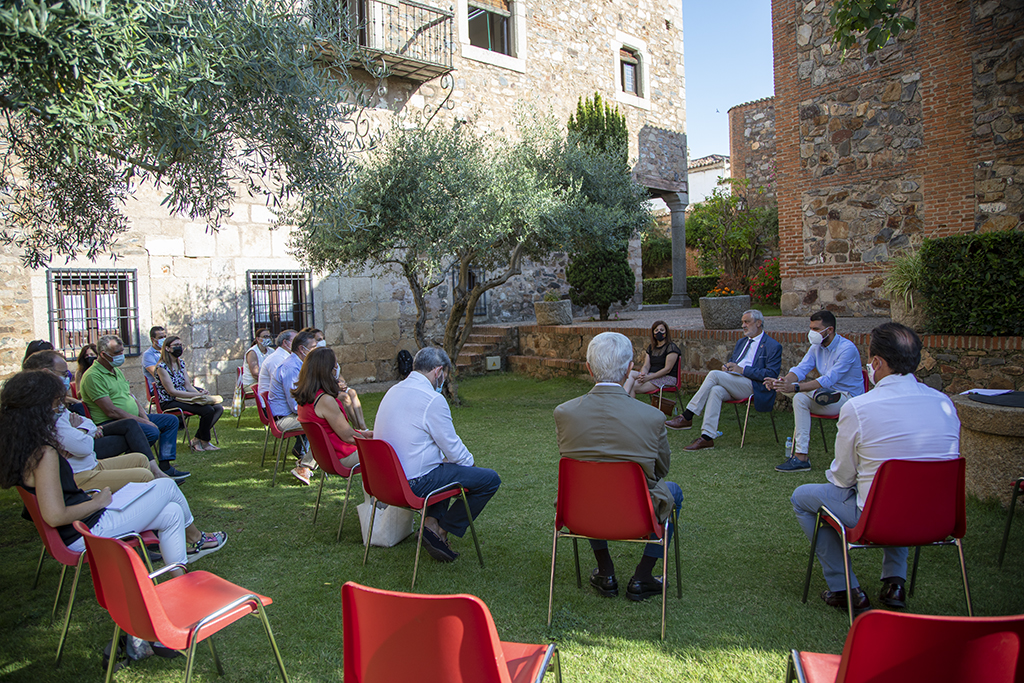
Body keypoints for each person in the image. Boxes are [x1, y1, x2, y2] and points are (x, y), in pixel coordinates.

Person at [792, 322, 960, 614]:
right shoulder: (944, 404)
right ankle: (895, 582)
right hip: (940, 519)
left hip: (877, 518)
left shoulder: (860, 408)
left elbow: (842, 478)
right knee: (906, 489)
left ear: (877, 362)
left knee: (803, 498)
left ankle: (845, 587)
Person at [0, 370, 225, 578]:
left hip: (84, 523)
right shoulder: (43, 454)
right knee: (166, 487)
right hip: (85, 531)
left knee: (172, 512)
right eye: (58, 405)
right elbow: (55, 515)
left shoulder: (23, 446)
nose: (62, 411)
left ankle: (180, 581)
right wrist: (98, 502)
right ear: (39, 409)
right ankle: (196, 539)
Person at [554, 332, 684, 602]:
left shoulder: (565, 413)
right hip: (636, 515)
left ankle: (605, 570)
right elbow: (660, 470)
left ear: (589, 368)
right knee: (673, 491)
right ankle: (643, 575)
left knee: (589, 486)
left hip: (579, 513)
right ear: (629, 370)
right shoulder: (652, 416)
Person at [373, 347, 501, 563]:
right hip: (412, 484)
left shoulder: (392, 391)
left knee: (443, 468)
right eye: (445, 376)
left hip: (383, 482)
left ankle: (430, 524)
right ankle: (441, 529)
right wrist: (470, 466)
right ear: (438, 371)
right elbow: (453, 448)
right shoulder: (432, 399)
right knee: (489, 480)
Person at [23, 350, 176, 488]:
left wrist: (82, 429)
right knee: (145, 466)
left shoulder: (56, 405)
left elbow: (85, 423)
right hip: (82, 468)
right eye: (64, 374)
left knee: (142, 451)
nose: (66, 378)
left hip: (90, 455)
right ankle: (155, 483)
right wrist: (84, 430)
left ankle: (160, 470)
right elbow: (86, 445)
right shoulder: (47, 411)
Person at [667, 310, 783, 451]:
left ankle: (688, 415)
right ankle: (707, 437)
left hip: (754, 386)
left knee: (714, 375)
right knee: (716, 390)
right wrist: (728, 367)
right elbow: (734, 362)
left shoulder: (773, 345)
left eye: (747, 322)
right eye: (742, 322)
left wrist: (742, 370)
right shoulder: (741, 342)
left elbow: (771, 373)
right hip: (735, 382)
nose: (743, 325)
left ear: (759, 323)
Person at [765, 310, 865, 472]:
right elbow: (800, 369)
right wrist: (782, 382)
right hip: (827, 394)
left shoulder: (847, 349)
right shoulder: (816, 347)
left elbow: (829, 379)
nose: (812, 333)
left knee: (801, 392)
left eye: (816, 329)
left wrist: (796, 387)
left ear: (830, 330)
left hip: (848, 398)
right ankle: (801, 456)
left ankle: (816, 394)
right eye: (811, 328)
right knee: (799, 399)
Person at [79, 335, 190, 479]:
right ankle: (137, 466)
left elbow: (131, 397)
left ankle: (165, 467)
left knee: (170, 421)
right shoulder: (93, 376)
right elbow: (111, 411)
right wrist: (144, 422)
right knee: (150, 431)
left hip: (132, 418)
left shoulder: (116, 370)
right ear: (103, 355)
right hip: (111, 423)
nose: (121, 356)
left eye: (122, 351)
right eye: (117, 353)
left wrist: (144, 417)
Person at [293, 347, 369, 474]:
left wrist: (365, 434)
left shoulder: (306, 397)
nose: (337, 369)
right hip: (341, 456)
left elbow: (333, 430)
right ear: (327, 370)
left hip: (326, 457)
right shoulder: (325, 400)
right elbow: (348, 436)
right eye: (335, 365)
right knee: (390, 453)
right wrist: (370, 441)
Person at [154, 335, 224, 452]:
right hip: (170, 401)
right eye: (176, 345)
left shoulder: (181, 363)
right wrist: (196, 396)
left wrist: (200, 394)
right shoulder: (161, 367)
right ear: (167, 348)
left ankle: (197, 439)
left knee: (218, 408)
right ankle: (205, 442)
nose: (179, 348)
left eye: (180, 345)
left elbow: (187, 385)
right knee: (207, 410)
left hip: (184, 397)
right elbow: (172, 392)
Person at [268, 330, 318, 483]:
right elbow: (294, 405)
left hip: (294, 415)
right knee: (323, 424)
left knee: (328, 419)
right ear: (303, 349)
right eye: (314, 347)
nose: (317, 350)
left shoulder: (300, 364)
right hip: (284, 419)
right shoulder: (291, 367)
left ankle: (306, 464)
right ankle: (304, 465)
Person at [302, 327, 367, 429]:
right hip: (328, 388)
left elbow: (338, 373)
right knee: (345, 398)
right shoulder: (317, 359)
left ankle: (361, 425)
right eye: (318, 340)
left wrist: (342, 382)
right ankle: (356, 427)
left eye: (323, 338)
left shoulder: (329, 353)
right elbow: (323, 378)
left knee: (352, 392)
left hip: (333, 385)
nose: (322, 341)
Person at [623, 320, 682, 399]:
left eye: (662, 330)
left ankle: (623, 402)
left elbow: (667, 369)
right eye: (656, 330)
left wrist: (648, 378)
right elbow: (646, 365)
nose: (659, 332)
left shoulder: (671, 347)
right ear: (653, 333)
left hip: (667, 378)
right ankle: (623, 398)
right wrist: (643, 374)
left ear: (666, 332)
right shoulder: (651, 347)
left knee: (634, 386)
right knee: (631, 373)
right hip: (650, 375)